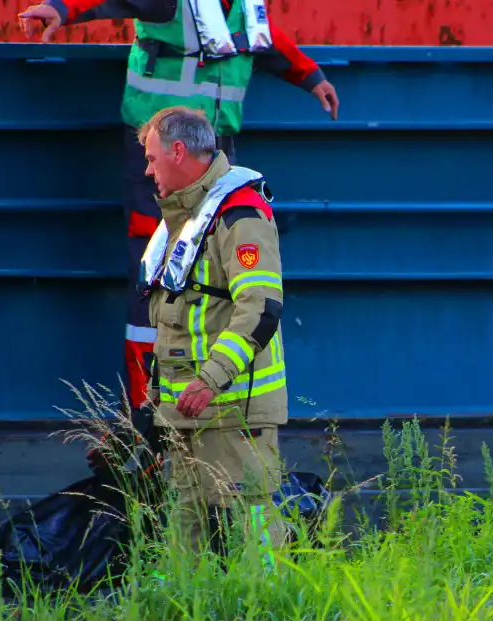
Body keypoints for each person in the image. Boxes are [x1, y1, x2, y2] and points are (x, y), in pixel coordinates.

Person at [18, 0, 337, 413]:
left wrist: (311, 76)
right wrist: (60, 10)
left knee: (210, 275)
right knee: (152, 282)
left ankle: (195, 398)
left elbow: (264, 41)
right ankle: (142, 415)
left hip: (215, 152)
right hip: (160, 156)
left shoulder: (243, 6)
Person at [129, 105, 290, 561]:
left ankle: (271, 606)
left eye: (152, 158)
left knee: (253, 522)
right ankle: (185, 606)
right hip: (186, 410)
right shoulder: (185, 219)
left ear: (178, 151)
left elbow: (260, 307)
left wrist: (210, 378)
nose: (146, 169)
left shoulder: (239, 215)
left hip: (233, 407)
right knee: (186, 526)